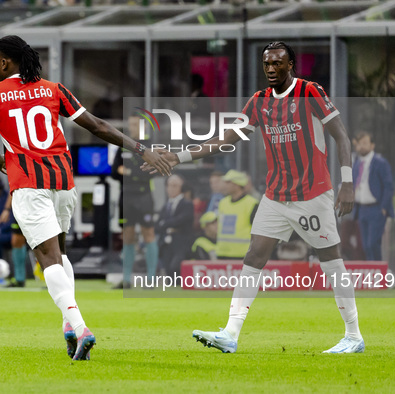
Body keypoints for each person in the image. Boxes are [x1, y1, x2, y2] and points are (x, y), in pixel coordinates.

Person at [144, 41, 364, 354]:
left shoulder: (310, 92)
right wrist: (178, 156)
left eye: (278, 63)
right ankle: (230, 333)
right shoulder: (259, 101)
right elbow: (223, 140)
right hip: (275, 195)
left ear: (291, 65)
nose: (272, 69)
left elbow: (341, 136)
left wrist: (347, 183)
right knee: (254, 256)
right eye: (267, 64)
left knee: (331, 260)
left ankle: (353, 335)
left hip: (312, 194)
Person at [0, 35, 170, 361]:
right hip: (63, 180)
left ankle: (81, 329)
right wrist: (142, 149)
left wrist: (3, 161)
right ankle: (68, 327)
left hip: (28, 184)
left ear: (6, 63)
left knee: (47, 257)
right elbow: (96, 126)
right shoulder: (54, 89)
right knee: (61, 254)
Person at [111, 116, 159, 288]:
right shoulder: (123, 145)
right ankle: (126, 280)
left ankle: (152, 279)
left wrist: (129, 171)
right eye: (130, 124)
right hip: (127, 197)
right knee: (128, 236)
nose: (131, 127)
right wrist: (134, 171)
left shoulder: (150, 146)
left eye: (135, 124)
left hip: (144, 197)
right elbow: (114, 172)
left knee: (148, 234)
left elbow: (151, 171)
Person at [352, 132, 394, 261]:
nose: (362, 146)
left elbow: (388, 186)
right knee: (365, 246)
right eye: (359, 143)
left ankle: (378, 272)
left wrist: (384, 207)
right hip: (361, 208)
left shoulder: (380, 162)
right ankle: (373, 273)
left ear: (372, 145)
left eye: (365, 143)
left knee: (373, 244)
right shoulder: (357, 163)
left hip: (376, 208)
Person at [156, 174, 194, 276]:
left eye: (175, 186)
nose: (171, 189)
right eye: (169, 185)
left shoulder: (187, 204)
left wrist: (165, 223)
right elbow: (158, 225)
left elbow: (181, 220)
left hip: (181, 241)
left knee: (176, 267)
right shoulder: (166, 205)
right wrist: (164, 224)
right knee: (167, 268)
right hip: (166, 241)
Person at [216, 170, 259, 259]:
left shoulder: (251, 203)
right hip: (222, 253)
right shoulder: (223, 203)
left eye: (228, 182)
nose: (225, 185)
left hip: (242, 254)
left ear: (236, 184)